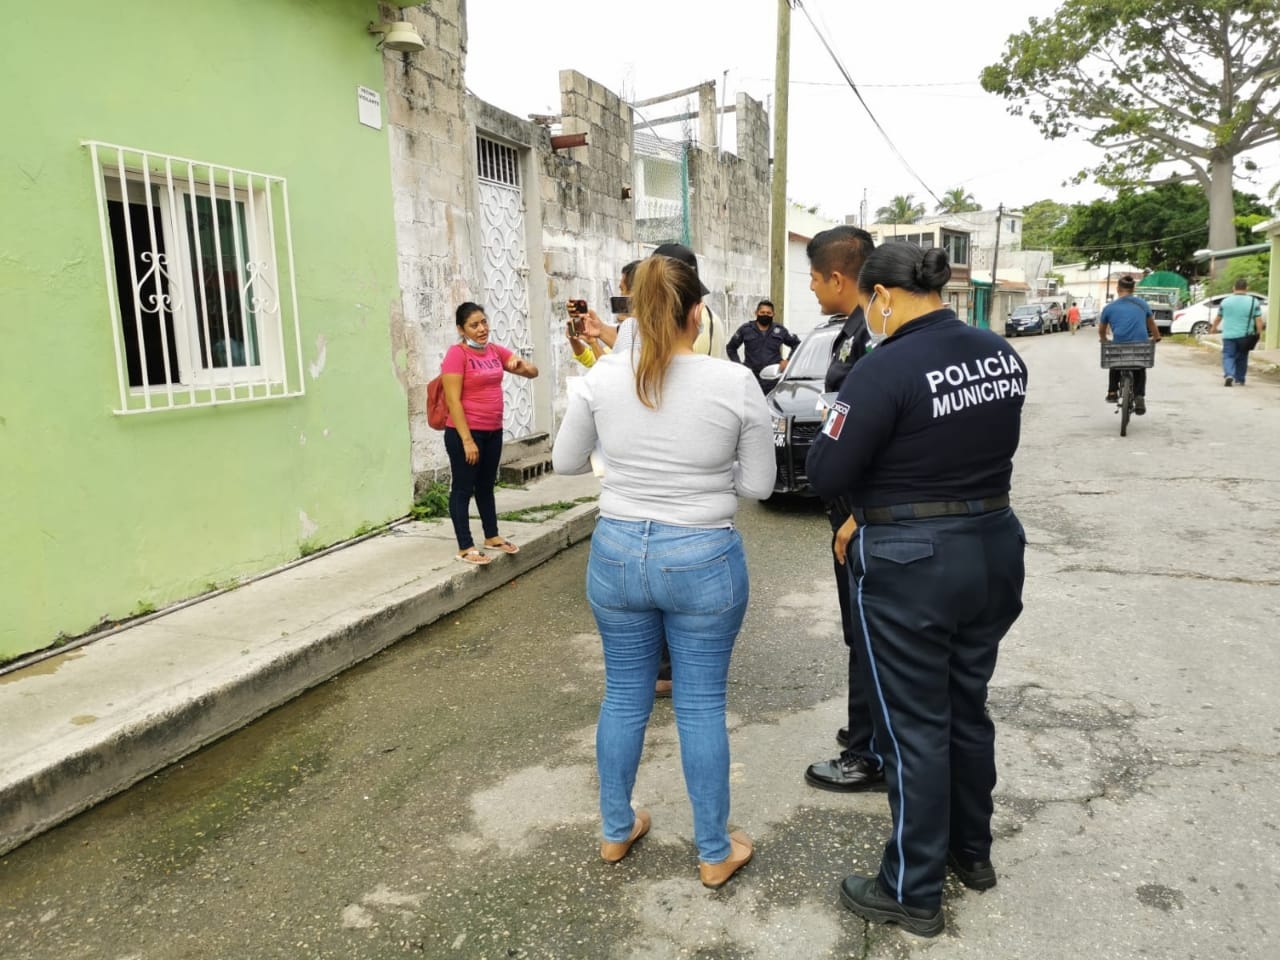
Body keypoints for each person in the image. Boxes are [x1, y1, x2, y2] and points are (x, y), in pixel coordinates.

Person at [806, 244, 1027, 938]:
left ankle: (910, 889)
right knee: (966, 706)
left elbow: (826, 468)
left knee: (912, 730)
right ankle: (972, 853)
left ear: (883, 297)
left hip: (911, 562)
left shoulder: (883, 369)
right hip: (992, 544)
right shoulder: (1000, 354)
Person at [551, 254, 775, 888]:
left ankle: (616, 832)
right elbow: (759, 485)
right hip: (702, 552)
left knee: (623, 696)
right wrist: (702, 478)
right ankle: (712, 850)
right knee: (701, 704)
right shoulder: (733, 383)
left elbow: (567, 462)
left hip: (618, 549)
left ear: (635, 313)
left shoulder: (603, 380)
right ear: (697, 314)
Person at [798, 225, 885, 795]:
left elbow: (883, 440)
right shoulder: (853, 332)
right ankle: (868, 729)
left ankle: (867, 754)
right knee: (861, 631)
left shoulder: (875, 339)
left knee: (867, 630)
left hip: (865, 514)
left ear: (836, 276)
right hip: (849, 508)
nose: (809, 288)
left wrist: (864, 513)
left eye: (812, 276)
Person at [440, 302, 539, 565]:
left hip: (493, 431)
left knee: (485, 485)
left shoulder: (494, 351)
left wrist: (521, 365)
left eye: (483, 322)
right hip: (465, 432)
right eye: (474, 325)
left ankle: (492, 535)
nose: (482, 329)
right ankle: (464, 546)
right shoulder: (456, 355)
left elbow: (533, 372)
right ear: (462, 329)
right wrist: (467, 440)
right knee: (462, 488)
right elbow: (453, 401)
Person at [1098, 275, 1160, 414]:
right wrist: (1157, 337)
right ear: (1133, 289)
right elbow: (1152, 324)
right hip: (1140, 344)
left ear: (1118, 289)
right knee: (1140, 367)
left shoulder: (1109, 307)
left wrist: (1104, 340)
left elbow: (1101, 330)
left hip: (1119, 343)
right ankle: (1139, 396)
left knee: (1114, 363)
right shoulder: (1142, 304)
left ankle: (1112, 391)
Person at [726, 299, 801, 391]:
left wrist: (788, 361)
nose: (765, 315)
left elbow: (797, 344)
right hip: (752, 379)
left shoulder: (780, 330)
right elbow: (731, 348)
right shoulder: (746, 329)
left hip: (774, 380)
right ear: (756, 313)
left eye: (769, 313)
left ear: (773, 314)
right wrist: (739, 366)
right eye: (762, 312)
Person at [1210, 278, 1264, 387]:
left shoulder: (1225, 301)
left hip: (1228, 335)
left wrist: (1214, 328)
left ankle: (1229, 374)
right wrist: (1259, 333)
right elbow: (1258, 320)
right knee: (1242, 356)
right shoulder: (1253, 301)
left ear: (1233, 288)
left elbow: (1218, 317)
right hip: (1245, 335)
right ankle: (1240, 379)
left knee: (1228, 355)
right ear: (1247, 288)